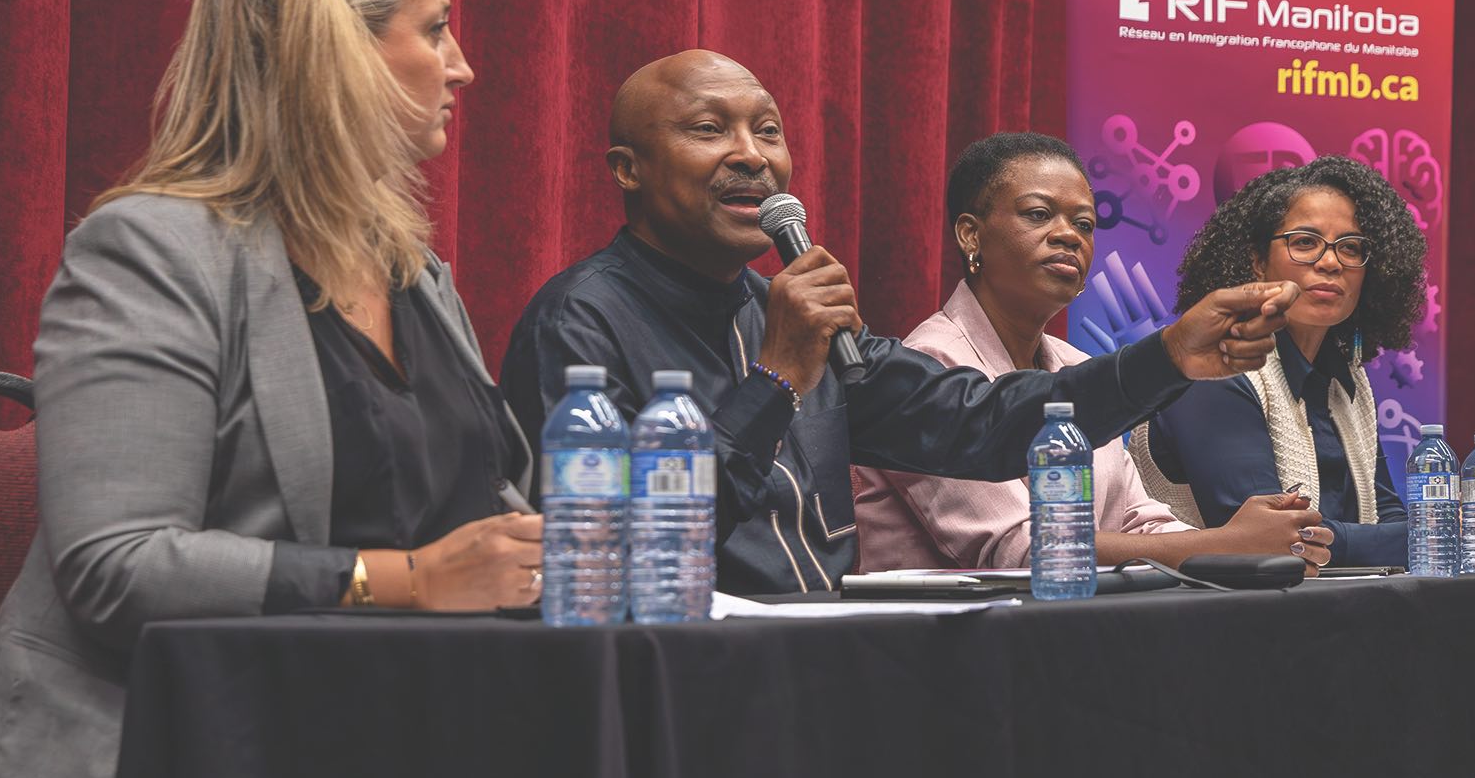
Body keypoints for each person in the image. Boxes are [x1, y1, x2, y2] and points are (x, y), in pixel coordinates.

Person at [0, 0, 540, 778]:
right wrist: (408, 581)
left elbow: (484, 502)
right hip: (196, 762)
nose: (462, 66)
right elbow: (117, 566)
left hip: (402, 737)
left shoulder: (415, 272)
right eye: (435, 30)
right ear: (337, 54)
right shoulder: (151, 251)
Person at [497, 50, 1301, 597]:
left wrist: (1166, 356)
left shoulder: (785, 314)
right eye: (710, 130)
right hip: (672, 677)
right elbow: (617, 549)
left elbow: (984, 422)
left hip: (825, 664)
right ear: (627, 169)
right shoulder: (581, 321)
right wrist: (774, 381)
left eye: (768, 130)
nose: (752, 156)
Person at [852, 133, 1335, 573]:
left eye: (1084, 223)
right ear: (970, 235)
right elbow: (1024, 551)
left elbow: (1138, 523)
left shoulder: (1076, 367)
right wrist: (1227, 544)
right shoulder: (932, 361)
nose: (1069, 235)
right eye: (1038, 214)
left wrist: (1247, 543)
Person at [1142, 156, 1475, 567]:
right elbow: (1275, 539)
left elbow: (1385, 514)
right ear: (1256, 261)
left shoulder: (1349, 380)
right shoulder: (1216, 366)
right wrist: (1442, 531)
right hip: (1210, 616)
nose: (1331, 262)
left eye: (1350, 248)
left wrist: (1467, 525)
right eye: (1305, 242)